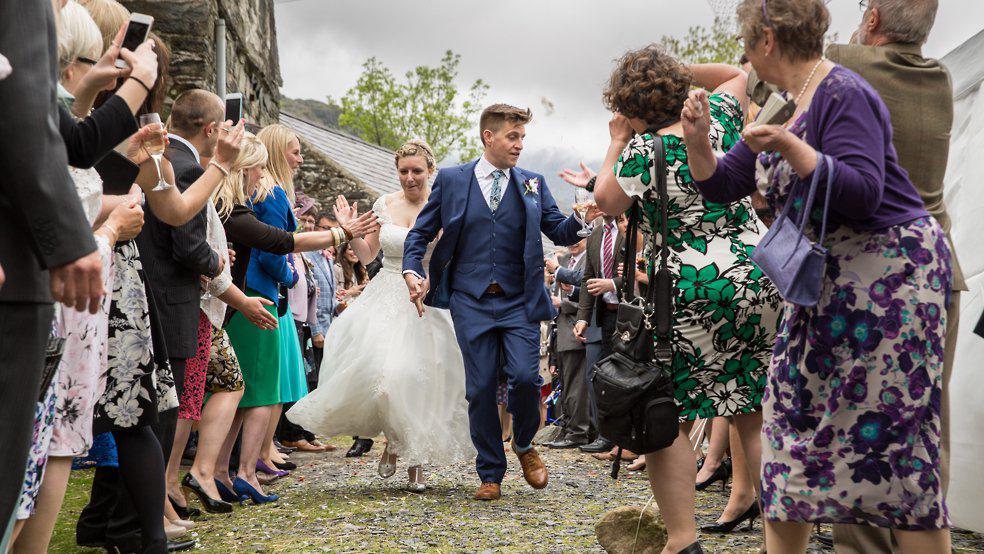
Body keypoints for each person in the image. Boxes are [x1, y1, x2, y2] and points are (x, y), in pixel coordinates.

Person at [682, 0, 953, 551]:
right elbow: (722, 184)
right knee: (788, 435)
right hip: (822, 287)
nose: (744, 51)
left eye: (746, 39)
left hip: (889, 286)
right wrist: (697, 138)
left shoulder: (843, 91)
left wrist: (791, 147)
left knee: (896, 452)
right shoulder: (783, 101)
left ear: (767, 40)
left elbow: (864, 192)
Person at [591, 46, 781, 554]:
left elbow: (606, 201)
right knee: (753, 410)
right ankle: (779, 539)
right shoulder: (720, 116)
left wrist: (616, 139)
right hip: (755, 277)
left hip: (687, 290)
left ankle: (682, 539)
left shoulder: (641, 149)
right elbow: (736, 73)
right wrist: (673, 75)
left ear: (631, 108)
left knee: (668, 411)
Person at [824, 1, 962, 550]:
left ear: (873, 18)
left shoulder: (845, 64)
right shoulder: (941, 78)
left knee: (857, 422)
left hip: (874, 275)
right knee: (925, 425)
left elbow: (765, 82)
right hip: (939, 272)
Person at [402, 104, 584, 501]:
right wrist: (412, 270)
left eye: (522, 138)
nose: (520, 145)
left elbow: (558, 229)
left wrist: (582, 217)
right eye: (512, 137)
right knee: (481, 387)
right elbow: (420, 234)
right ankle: (490, 472)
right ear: (489, 136)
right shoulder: (453, 180)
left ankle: (523, 443)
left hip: (520, 300)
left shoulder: (533, 182)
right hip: (470, 300)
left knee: (525, 378)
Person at [288, 140, 474, 492]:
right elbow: (368, 254)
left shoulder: (445, 206)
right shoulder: (384, 204)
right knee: (386, 378)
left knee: (420, 381)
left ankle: (416, 463)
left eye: (417, 171)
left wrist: (434, 278)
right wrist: (349, 232)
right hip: (386, 294)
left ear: (430, 171)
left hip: (427, 297)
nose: (409, 178)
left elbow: (454, 256)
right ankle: (393, 439)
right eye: (403, 171)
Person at [135, 89, 224, 524]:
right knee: (164, 412)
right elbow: (187, 244)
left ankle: (139, 511)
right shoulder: (186, 168)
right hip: (170, 302)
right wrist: (215, 261)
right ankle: (150, 513)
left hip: (156, 295)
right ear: (211, 129)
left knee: (153, 410)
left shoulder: (167, 158)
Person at [255, 124, 308, 477]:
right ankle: (258, 452)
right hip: (265, 291)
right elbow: (273, 250)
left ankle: (264, 448)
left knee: (276, 378)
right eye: (295, 152)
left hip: (270, 292)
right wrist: (292, 276)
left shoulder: (270, 192)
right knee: (267, 380)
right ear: (277, 152)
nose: (300, 160)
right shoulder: (272, 194)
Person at [543, 241, 592, 449]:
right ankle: (569, 428)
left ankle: (578, 431)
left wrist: (561, 303)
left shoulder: (586, 260)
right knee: (566, 385)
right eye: (570, 238)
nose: (573, 242)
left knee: (576, 387)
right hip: (561, 333)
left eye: (578, 238)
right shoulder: (566, 261)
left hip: (575, 331)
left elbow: (588, 299)